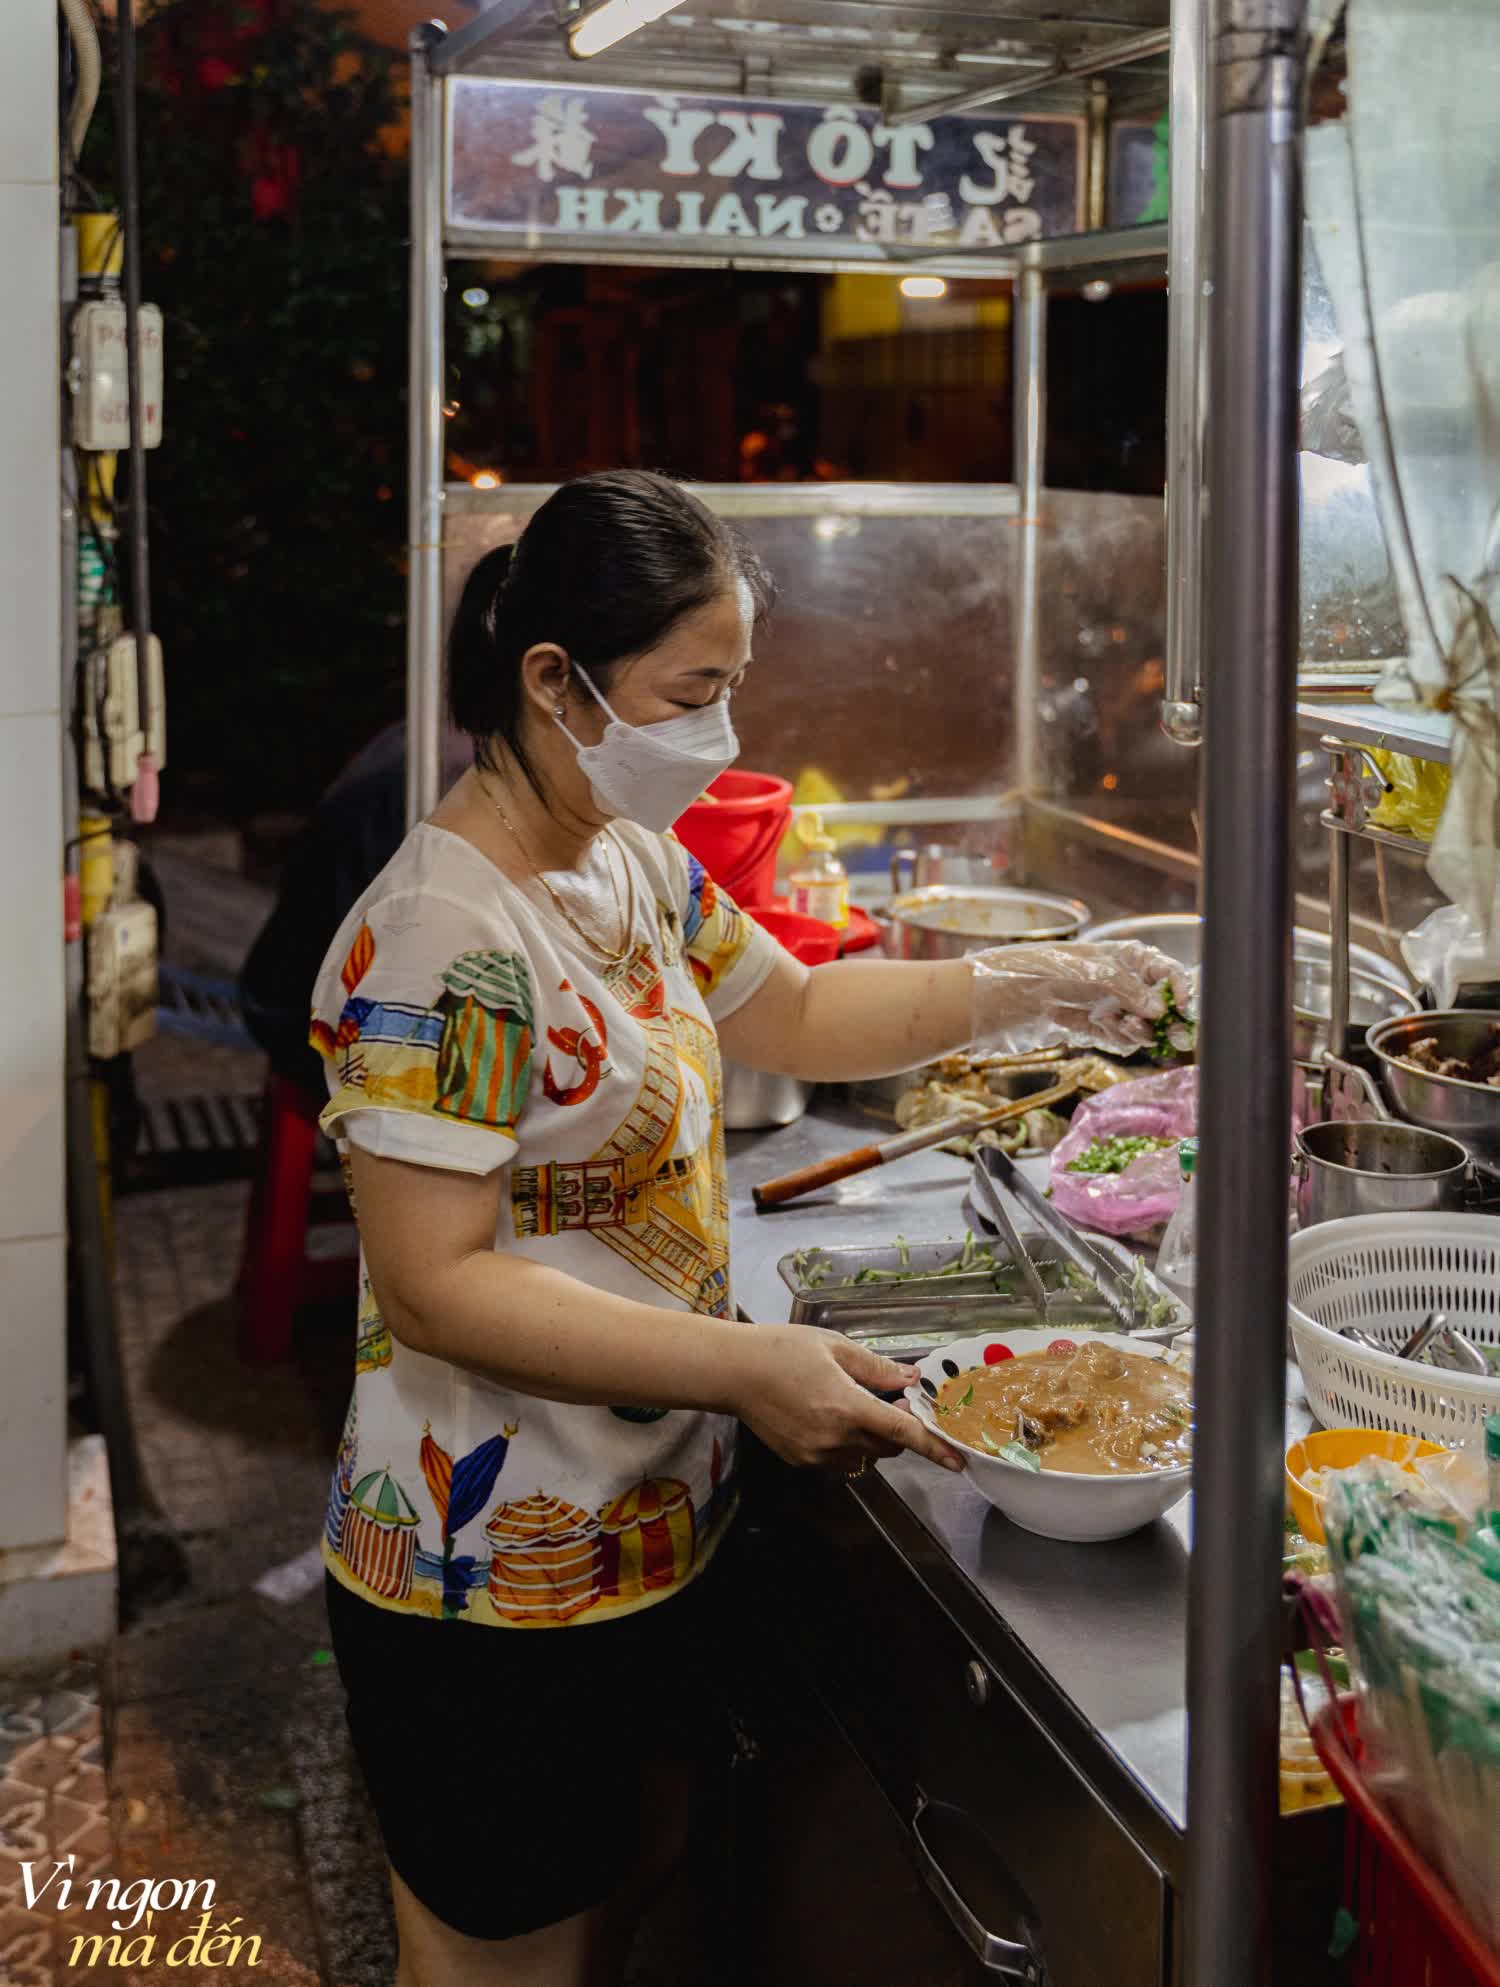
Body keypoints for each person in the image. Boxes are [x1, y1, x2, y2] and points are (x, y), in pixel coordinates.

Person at [311, 470, 1190, 1987]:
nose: (720, 729)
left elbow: (794, 1004)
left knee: (619, 1901)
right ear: (553, 680)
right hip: (491, 1577)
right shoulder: (444, 937)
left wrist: (1033, 984)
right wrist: (745, 1369)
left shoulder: (626, 859)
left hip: (649, 1527)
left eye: (734, 685)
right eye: (692, 689)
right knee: (503, 1955)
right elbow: (434, 1285)